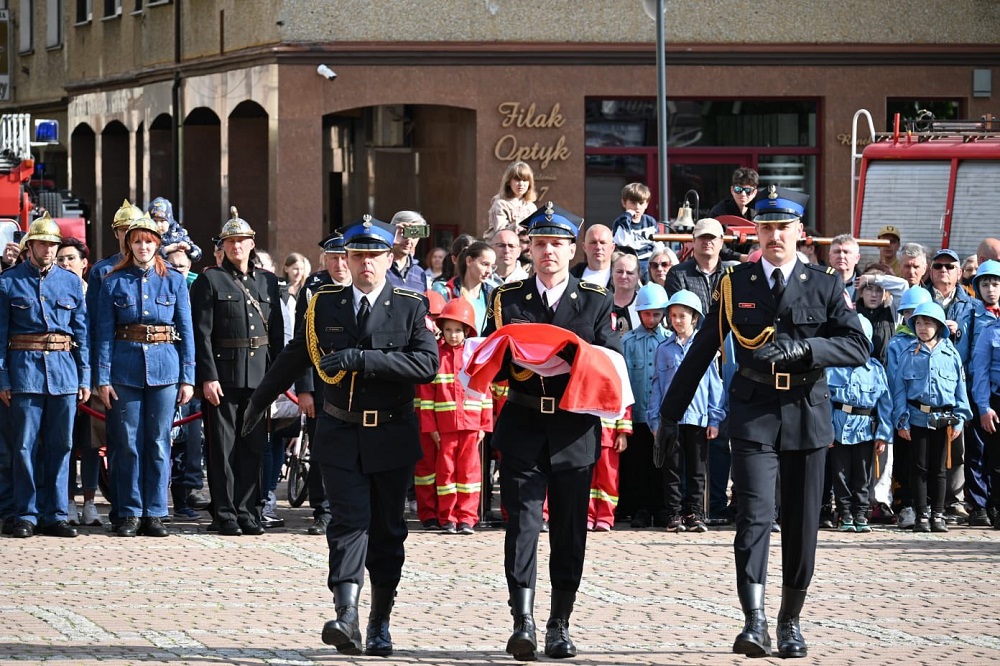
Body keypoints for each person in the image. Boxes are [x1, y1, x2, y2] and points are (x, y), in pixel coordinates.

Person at [657, 186, 868, 658]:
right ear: (756, 232)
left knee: (801, 524)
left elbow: (858, 347)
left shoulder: (826, 284)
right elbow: (702, 349)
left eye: (783, 228)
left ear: (800, 233)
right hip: (753, 410)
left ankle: (790, 622)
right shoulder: (736, 283)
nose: (775, 236)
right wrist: (670, 415)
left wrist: (809, 349)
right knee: (752, 516)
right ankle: (754, 621)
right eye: (766, 227)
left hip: (807, 413)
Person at [242, 214, 438, 656]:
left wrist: (362, 359)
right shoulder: (323, 302)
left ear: (390, 258)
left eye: (374, 255)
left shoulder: (411, 303)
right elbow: (296, 355)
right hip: (340, 430)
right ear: (345, 259)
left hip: (391, 432)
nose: (365, 263)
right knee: (347, 524)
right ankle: (346, 613)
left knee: (387, 533)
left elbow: (426, 366)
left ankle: (379, 620)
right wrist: (260, 400)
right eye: (357, 255)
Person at [482, 202, 621, 661]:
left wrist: (574, 358)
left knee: (568, 531)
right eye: (540, 244)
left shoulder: (595, 299)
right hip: (523, 422)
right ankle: (522, 620)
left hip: (571, 427)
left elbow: (612, 359)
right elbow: (488, 359)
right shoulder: (509, 297)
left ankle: (559, 622)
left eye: (557, 245)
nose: (548, 253)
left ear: (570, 249)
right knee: (521, 524)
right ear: (529, 247)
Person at [94, 217, 195, 537]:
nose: (143, 247)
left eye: (148, 241)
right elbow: (104, 334)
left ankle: (155, 511)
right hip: (124, 370)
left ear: (157, 244)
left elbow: (187, 330)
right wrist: (103, 377)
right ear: (129, 245)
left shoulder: (174, 281)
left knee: (158, 441)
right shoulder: (113, 281)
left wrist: (188, 376)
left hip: (165, 369)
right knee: (126, 444)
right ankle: (128, 511)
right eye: (137, 241)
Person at [190, 207, 284, 537]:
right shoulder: (209, 279)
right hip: (223, 377)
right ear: (223, 246)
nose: (236, 246)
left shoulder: (269, 282)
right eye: (230, 241)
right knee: (222, 447)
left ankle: (249, 510)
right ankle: (225, 512)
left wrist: (275, 380)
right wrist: (207, 377)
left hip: (259, 376)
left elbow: (276, 335)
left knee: (255, 446)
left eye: (242, 240)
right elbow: (201, 332)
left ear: (252, 243)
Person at [0, 215, 91, 538]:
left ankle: (55, 513)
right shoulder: (9, 282)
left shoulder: (69, 282)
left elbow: (82, 332)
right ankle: (26, 513)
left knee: (61, 445)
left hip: (64, 374)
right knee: (24, 447)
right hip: (25, 372)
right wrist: (4, 379)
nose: (50, 250)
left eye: (54, 245)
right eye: (44, 244)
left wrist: (84, 377)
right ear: (29, 247)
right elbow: (1, 336)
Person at [891, 302, 972, 532]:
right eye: (918, 323)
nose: (922, 327)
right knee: (918, 468)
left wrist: (959, 417)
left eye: (927, 323)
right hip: (917, 417)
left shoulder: (950, 354)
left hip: (944, 418)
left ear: (938, 326)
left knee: (939, 468)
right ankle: (921, 514)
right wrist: (902, 419)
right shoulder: (908, 354)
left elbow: (960, 390)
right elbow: (899, 390)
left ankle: (938, 514)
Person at [649, 289, 725, 533]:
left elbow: (715, 385)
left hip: (698, 418)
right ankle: (673, 513)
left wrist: (715, 418)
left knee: (697, 469)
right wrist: (654, 420)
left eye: (682, 316)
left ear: (694, 318)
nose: (677, 321)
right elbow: (657, 385)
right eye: (672, 316)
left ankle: (695, 513)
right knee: (671, 468)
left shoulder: (704, 348)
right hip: (670, 420)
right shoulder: (664, 349)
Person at [415, 298, 492, 534]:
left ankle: (467, 518)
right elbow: (426, 397)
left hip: (470, 427)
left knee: (469, 473)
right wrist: (431, 429)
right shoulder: (435, 356)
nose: (453, 335)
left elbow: (484, 390)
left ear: (467, 331)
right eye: (448, 329)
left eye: (458, 330)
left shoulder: (474, 355)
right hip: (444, 428)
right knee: (446, 474)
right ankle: (448, 517)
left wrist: (484, 426)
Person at [295, 231, 352, 536]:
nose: (339, 264)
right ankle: (323, 509)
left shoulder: (361, 286)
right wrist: (304, 388)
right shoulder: (313, 288)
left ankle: (347, 506)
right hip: (320, 382)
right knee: (321, 447)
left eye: (344, 257)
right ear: (324, 260)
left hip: (355, 385)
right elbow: (301, 343)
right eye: (333, 258)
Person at [923, 247, 983, 522]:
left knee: (957, 444)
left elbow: (977, 347)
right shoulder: (922, 299)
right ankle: (927, 501)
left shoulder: (971, 305)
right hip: (925, 382)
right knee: (926, 447)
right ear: (930, 270)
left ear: (960, 273)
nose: (943, 271)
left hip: (960, 382)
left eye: (950, 267)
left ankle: (955, 499)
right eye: (938, 266)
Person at [826, 317, 892, 533]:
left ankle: (861, 513)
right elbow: (825, 401)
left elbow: (885, 404)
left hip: (865, 429)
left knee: (862, 474)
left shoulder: (875, 369)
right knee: (841, 473)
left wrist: (883, 434)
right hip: (839, 427)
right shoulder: (833, 368)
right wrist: (827, 430)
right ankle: (844, 513)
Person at [55, 238, 103, 527]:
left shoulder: (94, 293)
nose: (65, 264)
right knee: (66, 443)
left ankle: (90, 502)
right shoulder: (52, 289)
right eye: (61, 259)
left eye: (70, 258)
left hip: (92, 380)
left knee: (92, 443)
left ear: (85, 264)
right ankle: (68, 501)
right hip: (61, 376)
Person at [618, 283, 670, 529]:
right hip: (637, 416)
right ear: (639, 314)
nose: (652, 318)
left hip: (661, 418)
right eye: (647, 313)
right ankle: (640, 508)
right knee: (637, 464)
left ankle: (661, 508)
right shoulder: (627, 342)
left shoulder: (670, 341)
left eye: (657, 314)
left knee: (661, 464)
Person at [886, 287, 934, 529]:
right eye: (909, 313)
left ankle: (929, 508)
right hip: (906, 410)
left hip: (931, 414)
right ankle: (907, 505)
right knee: (906, 461)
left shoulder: (940, 344)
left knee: (930, 463)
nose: (916, 319)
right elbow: (895, 381)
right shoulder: (897, 343)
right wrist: (900, 414)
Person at [966, 260, 1000, 527]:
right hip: (983, 393)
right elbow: (974, 363)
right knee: (979, 452)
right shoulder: (973, 314)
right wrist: (980, 404)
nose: (991, 289)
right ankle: (980, 505)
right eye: (986, 284)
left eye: (996, 284)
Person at [664, 218, 726, 315]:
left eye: (712, 237)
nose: (707, 241)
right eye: (702, 237)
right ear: (693, 240)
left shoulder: (731, 274)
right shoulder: (677, 274)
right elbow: (673, 315)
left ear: (721, 242)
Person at [432, 240, 496, 334]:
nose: (489, 271)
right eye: (485, 264)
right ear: (469, 261)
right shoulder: (446, 293)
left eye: (493, 266)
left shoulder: (493, 294)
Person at [610, 183, 658, 274]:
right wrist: (626, 218)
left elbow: (658, 245)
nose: (637, 207)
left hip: (649, 262)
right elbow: (623, 242)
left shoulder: (650, 221)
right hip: (628, 261)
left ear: (646, 204)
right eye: (633, 203)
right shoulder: (620, 222)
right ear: (624, 203)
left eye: (641, 203)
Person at [486, 161, 538, 238]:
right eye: (517, 180)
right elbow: (500, 231)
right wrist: (518, 226)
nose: (521, 184)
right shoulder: (500, 204)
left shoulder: (531, 207)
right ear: (508, 182)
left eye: (525, 180)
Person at [149, 196, 203, 264]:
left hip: (178, 271)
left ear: (170, 221)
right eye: (155, 221)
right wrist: (167, 249)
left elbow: (197, 254)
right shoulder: (148, 236)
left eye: (162, 221)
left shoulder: (179, 234)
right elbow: (148, 256)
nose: (158, 225)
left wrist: (188, 248)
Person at [387, 211, 428, 292]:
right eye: (404, 233)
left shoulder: (420, 273)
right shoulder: (378, 266)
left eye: (415, 234)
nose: (409, 240)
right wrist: (389, 236)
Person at [569, 224, 614, 289]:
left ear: (612, 247)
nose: (598, 247)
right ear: (584, 247)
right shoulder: (572, 276)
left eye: (603, 242)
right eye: (593, 242)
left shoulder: (622, 276)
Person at [610, 251, 641, 336]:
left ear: (638, 276)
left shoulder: (644, 303)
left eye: (629, 273)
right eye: (619, 271)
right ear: (612, 273)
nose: (623, 276)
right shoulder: (602, 303)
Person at [828, 234, 862, 299]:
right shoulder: (818, 284)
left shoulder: (867, 285)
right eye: (837, 252)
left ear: (857, 258)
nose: (841, 256)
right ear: (830, 257)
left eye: (846, 252)